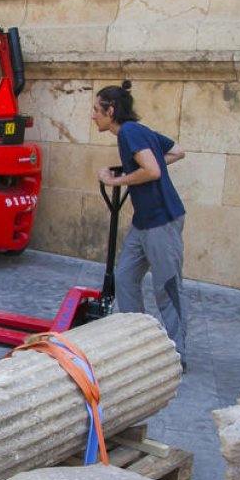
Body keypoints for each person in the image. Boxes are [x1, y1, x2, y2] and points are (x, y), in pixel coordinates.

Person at [93, 81, 188, 354]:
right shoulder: (139, 132)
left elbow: (153, 171)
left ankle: (176, 353)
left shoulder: (130, 133)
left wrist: (117, 180)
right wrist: (140, 167)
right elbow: (176, 152)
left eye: (96, 110)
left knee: (167, 288)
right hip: (143, 222)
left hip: (162, 221)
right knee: (124, 278)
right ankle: (138, 341)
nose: (93, 115)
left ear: (110, 111)